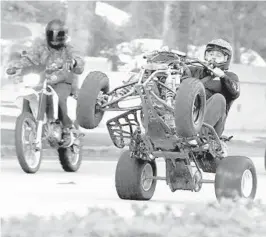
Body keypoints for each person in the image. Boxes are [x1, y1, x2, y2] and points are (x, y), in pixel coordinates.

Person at [7, 19, 85, 146]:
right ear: (47, 34)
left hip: (63, 81)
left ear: (64, 35)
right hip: (43, 80)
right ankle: (29, 121)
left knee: (60, 99)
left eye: (58, 35)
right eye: (52, 34)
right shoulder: (40, 46)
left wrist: (74, 62)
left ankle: (67, 128)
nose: (55, 38)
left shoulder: (69, 48)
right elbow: (28, 58)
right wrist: (16, 67)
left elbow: (79, 60)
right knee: (29, 92)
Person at [181, 39, 240, 156]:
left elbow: (235, 92)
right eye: (210, 54)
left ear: (226, 59)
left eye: (218, 56)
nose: (213, 58)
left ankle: (198, 136)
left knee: (219, 98)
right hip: (187, 118)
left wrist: (222, 76)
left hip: (212, 128)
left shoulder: (230, 77)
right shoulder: (195, 71)